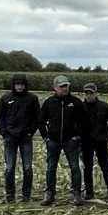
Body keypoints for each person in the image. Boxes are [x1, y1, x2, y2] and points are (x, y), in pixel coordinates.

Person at [37, 75, 87, 206]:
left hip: (71, 141)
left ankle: (76, 193)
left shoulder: (76, 102)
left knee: (75, 167)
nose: (64, 89)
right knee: (51, 168)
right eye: (61, 86)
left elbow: (83, 121)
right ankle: (50, 193)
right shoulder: (49, 103)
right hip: (53, 141)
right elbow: (41, 121)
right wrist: (45, 137)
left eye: (66, 86)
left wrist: (78, 136)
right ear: (55, 88)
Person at [0, 73, 40, 203]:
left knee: (27, 168)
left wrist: (30, 132)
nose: (19, 86)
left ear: (25, 85)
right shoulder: (6, 98)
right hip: (10, 138)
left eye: (22, 84)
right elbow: (0, 117)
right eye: (17, 84)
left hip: (25, 138)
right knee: (9, 168)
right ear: (13, 85)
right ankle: (10, 195)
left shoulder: (32, 98)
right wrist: (4, 132)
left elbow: (36, 117)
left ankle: (26, 195)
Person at [79, 83, 108, 201]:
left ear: (96, 93)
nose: (89, 95)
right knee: (87, 167)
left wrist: (107, 135)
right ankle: (89, 192)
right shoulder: (80, 107)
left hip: (101, 141)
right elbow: (75, 122)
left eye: (91, 93)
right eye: (87, 93)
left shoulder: (104, 106)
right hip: (86, 142)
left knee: (105, 166)